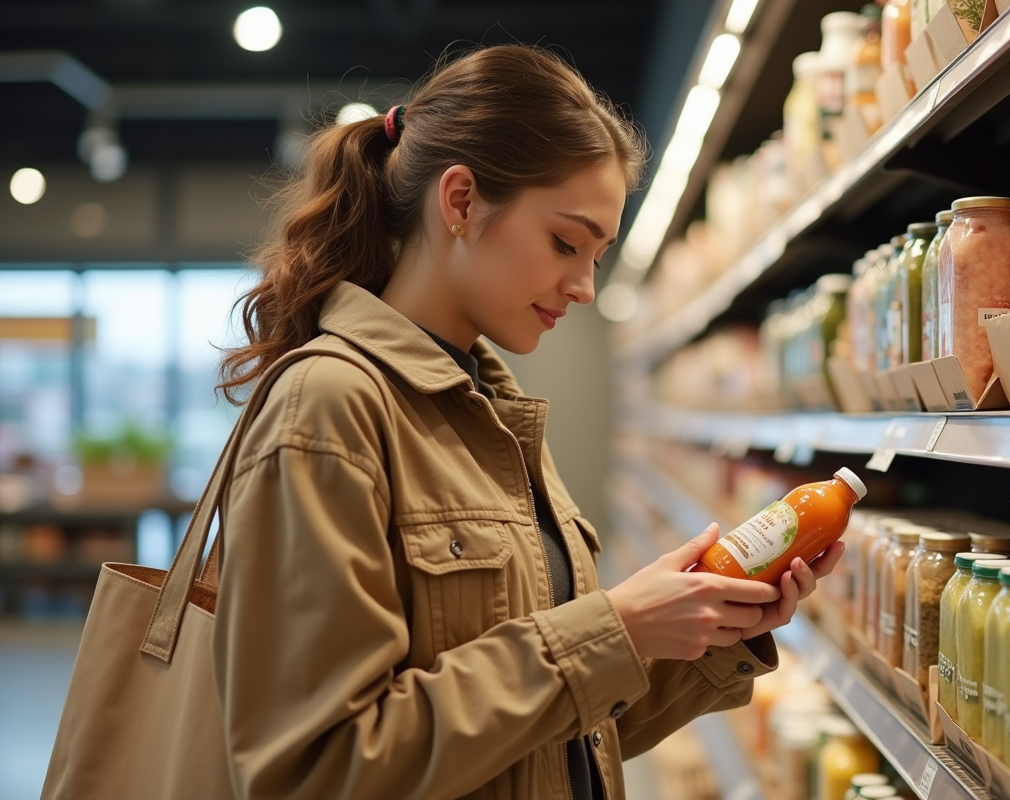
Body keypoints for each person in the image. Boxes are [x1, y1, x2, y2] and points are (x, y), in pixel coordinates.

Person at [212, 44, 844, 800]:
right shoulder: (330, 407)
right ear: (460, 202)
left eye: (597, 255)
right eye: (565, 243)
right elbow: (317, 769)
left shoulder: (490, 414)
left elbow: (557, 738)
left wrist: (708, 632)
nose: (583, 286)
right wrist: (614, 630)